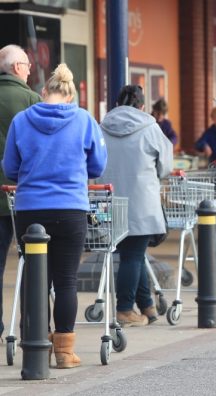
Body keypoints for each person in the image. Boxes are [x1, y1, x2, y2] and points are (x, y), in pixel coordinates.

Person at [2, 63, 107, 368]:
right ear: (71, 95)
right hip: (71, 208)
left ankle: (35, 344)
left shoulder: (22, 121)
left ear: (43, 92)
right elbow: (97, 166)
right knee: (65, 281)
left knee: (35, 279)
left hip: (30, 209)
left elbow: (10, 167)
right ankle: (64, 351)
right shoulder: (85, 120)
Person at [98, 85, 173, 327]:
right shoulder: (151, 128)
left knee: (134, 254)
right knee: (132, 256)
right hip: (143, 204)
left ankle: (147, 307)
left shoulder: (101, 127)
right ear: (142, 106)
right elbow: (166, 167)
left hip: (109, 204)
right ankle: (124, 310)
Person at [0, 44, 41, 341]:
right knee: (33, 260)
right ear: (17, 68)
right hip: (20, 197)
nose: (30, 69)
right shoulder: (31, 100)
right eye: (27, 64)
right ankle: (31, 326)